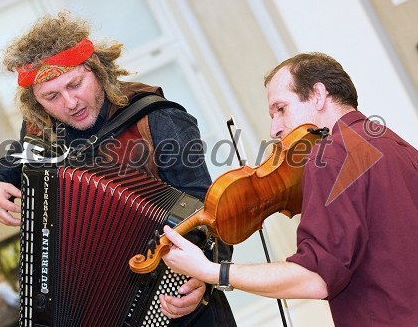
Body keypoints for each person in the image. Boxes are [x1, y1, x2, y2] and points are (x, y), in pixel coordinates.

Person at [0, 11, 235, 326]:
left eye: (75, 84)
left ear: (97, 69)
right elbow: (16, 158)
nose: (70, 102)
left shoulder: (158, 118)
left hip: (178, 304)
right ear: (35, 102)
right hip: (92, 307)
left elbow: (211, 213)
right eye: (52, 96)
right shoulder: (41, 131)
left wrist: (206, 276)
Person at [161, 52, 418, 326]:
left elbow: (316, 277)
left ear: (318, 94)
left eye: (281, 109)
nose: (275, 129)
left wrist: (212, 271)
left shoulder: (331, 154)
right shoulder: (397, 146)